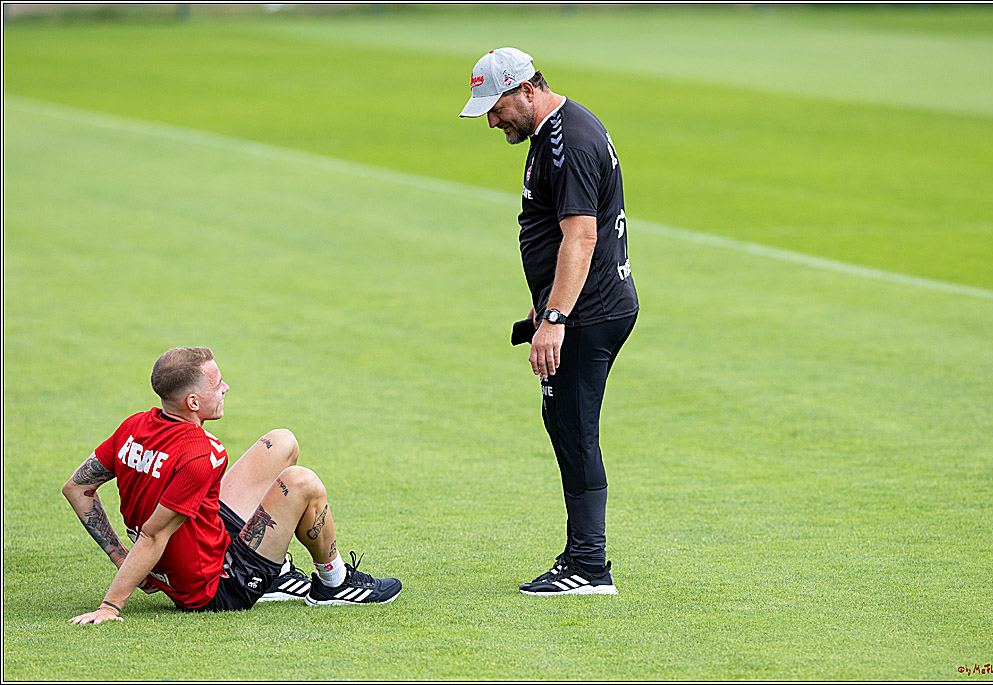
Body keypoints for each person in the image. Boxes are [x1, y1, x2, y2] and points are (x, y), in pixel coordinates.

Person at [459, 48, 639, 595]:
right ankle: (580, 555)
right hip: (578, 308)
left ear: (527, 90)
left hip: (589, 314)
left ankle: (590, 566)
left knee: (575, 427)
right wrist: (544, 304)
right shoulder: (551, 133)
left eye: (497, 108)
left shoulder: (569, 142)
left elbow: (581, 236)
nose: (492, 120)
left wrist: (556, 317)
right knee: (564, 425)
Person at [63, 346, 401, 624]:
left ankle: (277, 575)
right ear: (193, 403)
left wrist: (123, 558)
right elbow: (153, 535)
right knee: (301, 483)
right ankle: (334, 582)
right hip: (216, 588)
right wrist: (111, 605)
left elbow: (77, 488)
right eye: (217, 384)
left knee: (281, 442)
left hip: (201, 545)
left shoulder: (134, 426)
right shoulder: (202, 453)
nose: (225, 388)